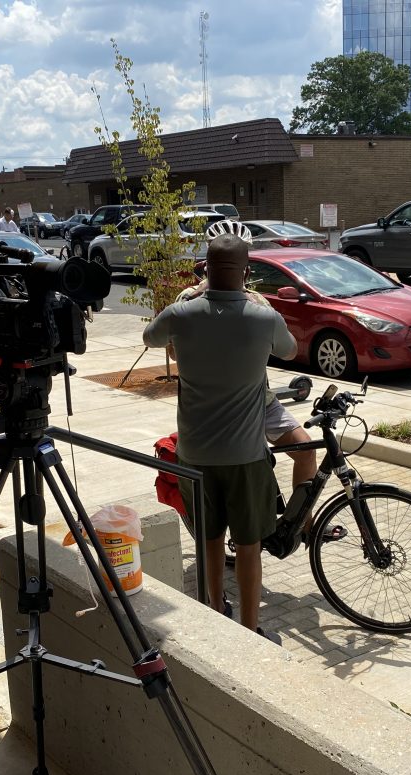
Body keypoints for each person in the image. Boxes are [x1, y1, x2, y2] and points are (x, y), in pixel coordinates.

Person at [143, 234, 296, 637]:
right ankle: (249, 628)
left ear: (205, 270)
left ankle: (214, 607)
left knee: (209, 539)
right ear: (247, 272)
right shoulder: (264, 317)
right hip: (246, 456)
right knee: (248, 545)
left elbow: (150, 338)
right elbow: (291, 350)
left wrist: (187, 301)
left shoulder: (181, 313)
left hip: (194, 455)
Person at [181, 219, 319, 493]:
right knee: (238, 476)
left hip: (260, 402)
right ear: (208, 263)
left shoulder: (258, 302)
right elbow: (174, 352)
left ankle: (304, 527)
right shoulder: (188, 300)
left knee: (306, 450)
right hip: (212, 408)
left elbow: (281, 348)